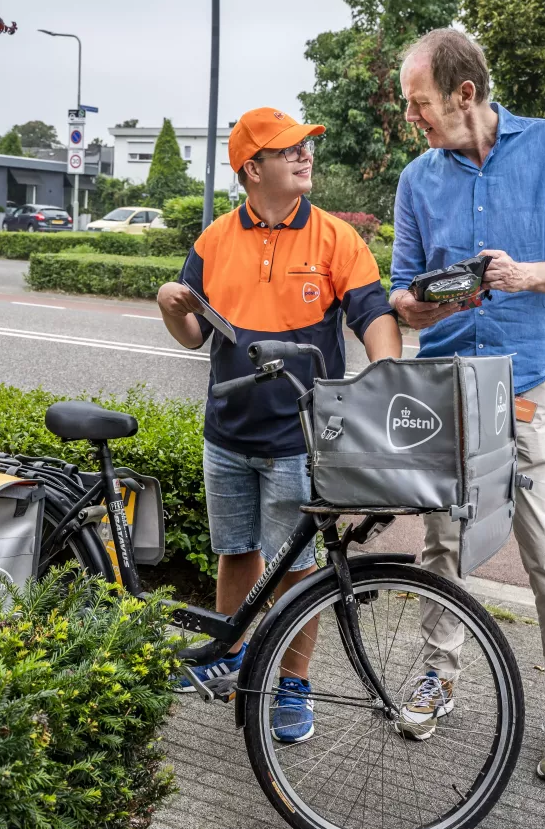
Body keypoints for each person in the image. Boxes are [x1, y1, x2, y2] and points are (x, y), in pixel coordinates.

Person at [388, 29, 545, 786]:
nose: (412, 117)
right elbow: (401, 283)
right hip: (448, 385)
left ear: (464, 95)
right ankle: (439, 674)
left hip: (527, 385)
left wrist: (524, 275)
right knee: (442, 544)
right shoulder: (417, 179)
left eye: (420, 103)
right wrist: (412, 306)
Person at [156, 106, 402, 744]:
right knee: (234, 550)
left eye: (305, 146)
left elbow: (372, 313)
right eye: (288, 149)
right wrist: (169, 307)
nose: (304, 155)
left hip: (300, 439)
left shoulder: (334, 237)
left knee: (298, 570)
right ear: (251, 169)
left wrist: (386, 376)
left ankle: (292, 686)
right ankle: (230, 654)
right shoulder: (213, 241)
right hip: (227, 433)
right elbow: (191, 337)